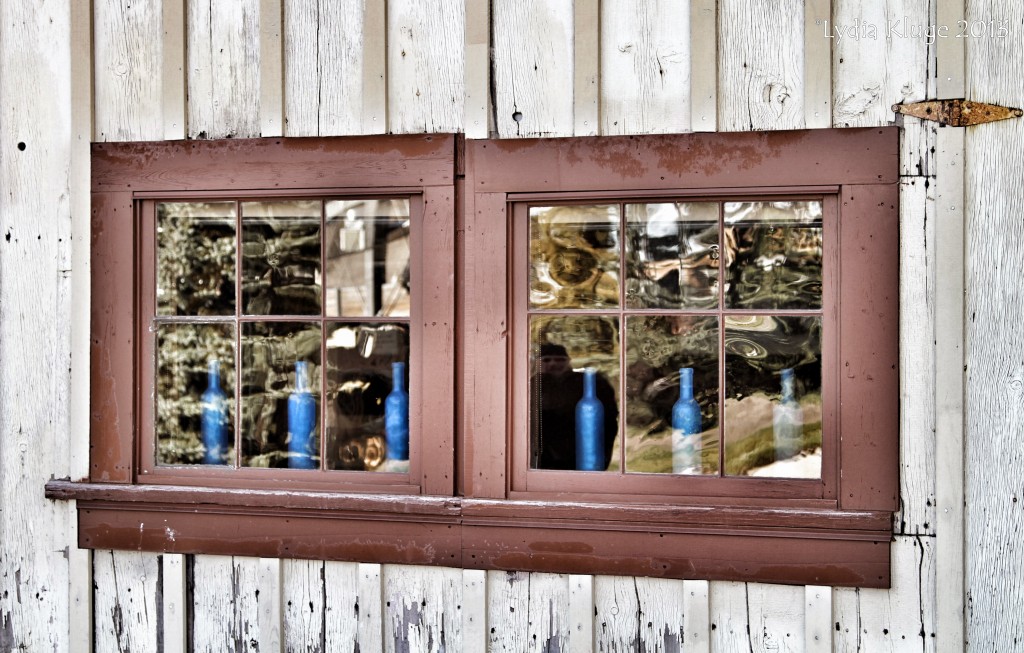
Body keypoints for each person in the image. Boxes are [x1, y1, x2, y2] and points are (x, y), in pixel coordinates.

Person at [530, 343, 619, 470]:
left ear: (569, 362)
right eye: (546, 360)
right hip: (542, 456)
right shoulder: (531, 385)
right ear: (538, 363)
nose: (553, 364)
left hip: (582, 450)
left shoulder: (591, 382)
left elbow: (609, 419)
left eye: (559, 359)